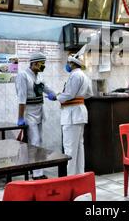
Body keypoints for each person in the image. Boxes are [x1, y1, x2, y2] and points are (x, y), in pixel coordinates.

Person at [15, 52, 56, 180]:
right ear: (35, 63)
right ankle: (35, 173)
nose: (43, 66)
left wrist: (54, 95)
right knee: (35, 141)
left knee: (40, 142)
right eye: (42, 63)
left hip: (39, 112)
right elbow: (22, 98)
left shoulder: (39, 76)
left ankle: (39, 171)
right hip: (29, 113)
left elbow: (46, 89)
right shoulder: (23, 75)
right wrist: (20, 117)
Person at [54, 46, 92, 175]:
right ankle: (79, 175)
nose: (67, 65)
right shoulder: (84, 76)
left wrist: (57, 97)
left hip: (72, 115)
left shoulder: (74, 75)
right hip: (80, 113)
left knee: (70, 148)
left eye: (68, 62)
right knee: (79, 148)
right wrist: (77, 97)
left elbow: (69, 94)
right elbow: (88, 94)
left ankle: (70, 177)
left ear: (72, 63)